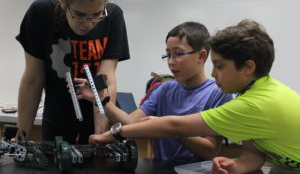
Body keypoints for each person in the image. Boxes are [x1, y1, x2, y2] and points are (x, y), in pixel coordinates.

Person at [88, 19, 300, 173]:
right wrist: (236, 166)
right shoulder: (255, 93)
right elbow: (255, 152)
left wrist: (113, 133)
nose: (213, 73)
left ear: (248, 67)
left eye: (219, 66)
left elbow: (174, 126)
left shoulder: (254, 105)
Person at [75, 21, 232, 162]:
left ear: (201, 56)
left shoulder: (218, 94)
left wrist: (170, 129)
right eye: (168, 55)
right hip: (160, 168)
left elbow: (211, 151)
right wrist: (100, 99)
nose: (171, 62)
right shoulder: (164, 89)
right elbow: (130, 123)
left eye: (177, 54)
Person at [16, 0, 130, 144]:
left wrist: (99, 137)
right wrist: (21, 138)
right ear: (63, 2)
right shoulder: (42, 14)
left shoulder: (112, 16)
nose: (88, 23)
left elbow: (106, 80)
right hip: (57, 122)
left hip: (99, 119)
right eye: (80, 14)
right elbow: (33, 80)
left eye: (96, 14)